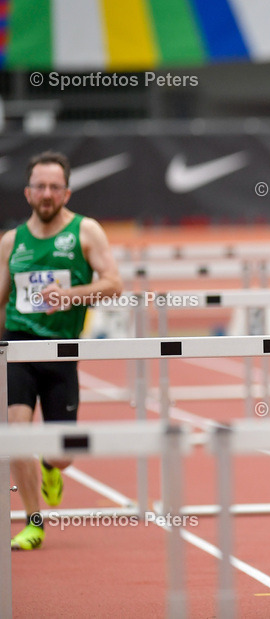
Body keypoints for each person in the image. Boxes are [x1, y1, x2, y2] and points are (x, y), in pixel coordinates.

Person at [1, 151, 123, 550]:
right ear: (28, 192)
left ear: (67, 191)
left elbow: (112, 284)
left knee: (63, 451)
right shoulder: (10, 242)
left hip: (62, 349)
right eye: (40, 186)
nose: (47, 194)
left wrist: (69, 296)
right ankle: (33, 522)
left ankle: (53, 467)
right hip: (18, 345)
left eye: (55, 187)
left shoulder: (86, 232)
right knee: (17, 433)